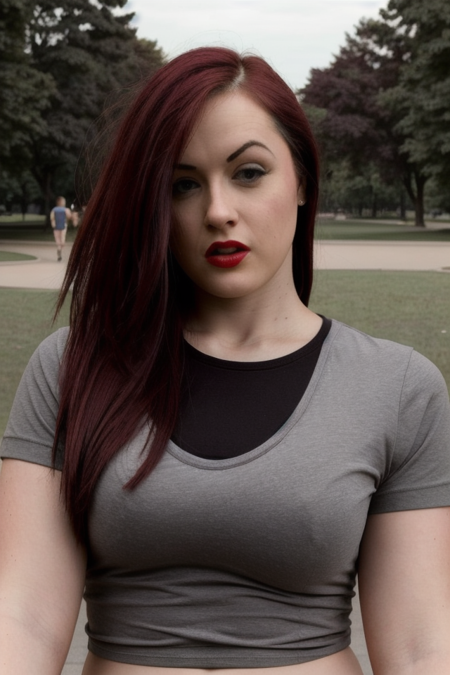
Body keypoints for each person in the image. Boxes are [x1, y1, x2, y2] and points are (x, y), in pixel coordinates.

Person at [1, 47, 450, 675]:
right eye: (184, 184)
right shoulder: (72, 368)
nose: (217, 210)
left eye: (248, 172)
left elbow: (420, 648)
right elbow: (22, 618)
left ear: (301, 182)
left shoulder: (399, 388)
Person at [50, 196, 73, 261]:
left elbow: (52, 218)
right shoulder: (66, 209)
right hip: (63, 226)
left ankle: (59, 248)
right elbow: (69, 217)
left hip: (56, 227)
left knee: (58, 240)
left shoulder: (54, 210)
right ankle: (60, 247)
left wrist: (53, 224)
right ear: (61, 202)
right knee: (62, 238)